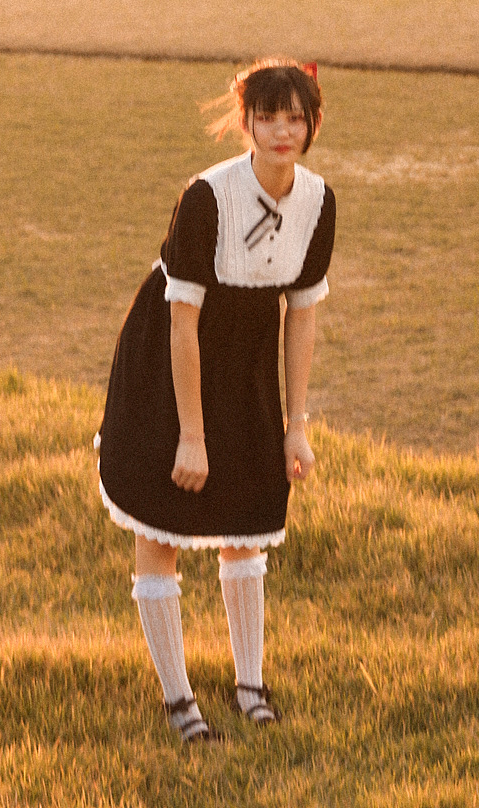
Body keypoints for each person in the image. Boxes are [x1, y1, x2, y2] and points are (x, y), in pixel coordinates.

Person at [96, 58, 336, 745]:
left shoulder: (320, 203)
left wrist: (296, 427)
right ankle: (179, 701)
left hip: (248, 364)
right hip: (173, 362)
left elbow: (303, 318)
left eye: (297, 117)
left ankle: (250, 685)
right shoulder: (206, 197)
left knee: (247, 522)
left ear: (313, 123)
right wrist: (191, 434)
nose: (283, 131)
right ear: (246, 122)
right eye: (269, 117)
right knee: (162, 525)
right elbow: (180, 322)